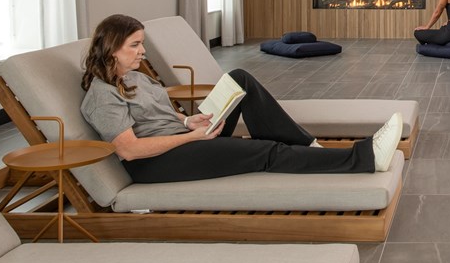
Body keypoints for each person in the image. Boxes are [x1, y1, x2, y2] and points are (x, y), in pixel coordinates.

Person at [80, 14, 402, 184]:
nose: (143, 51)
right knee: (266, 152)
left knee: (239, 80)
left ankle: (308, 148)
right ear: (112, 48)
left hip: (186, 135)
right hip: (158, 163)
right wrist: (192, 137)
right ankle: (364, 157)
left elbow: (162, 114)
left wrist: (189, 121)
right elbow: (130, 150)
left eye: (142, 44)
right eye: (135, 45)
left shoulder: (134, 77)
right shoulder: (102, 95)